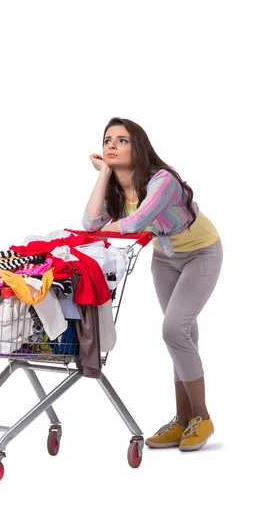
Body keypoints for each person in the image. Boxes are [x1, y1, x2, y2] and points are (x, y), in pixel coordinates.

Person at [82, 117, 223, 452]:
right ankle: (180, 420)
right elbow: (90, 222)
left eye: (122, 140)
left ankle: (201, 417)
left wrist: (105, 227)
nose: (111, 146)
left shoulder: (163, 181)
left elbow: (134, 224)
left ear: (139, 145)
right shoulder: (117, 186)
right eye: (107, 140)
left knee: (174, 330)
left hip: (201, 253)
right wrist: (103, 174)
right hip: (164, 257)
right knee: (184, 336)